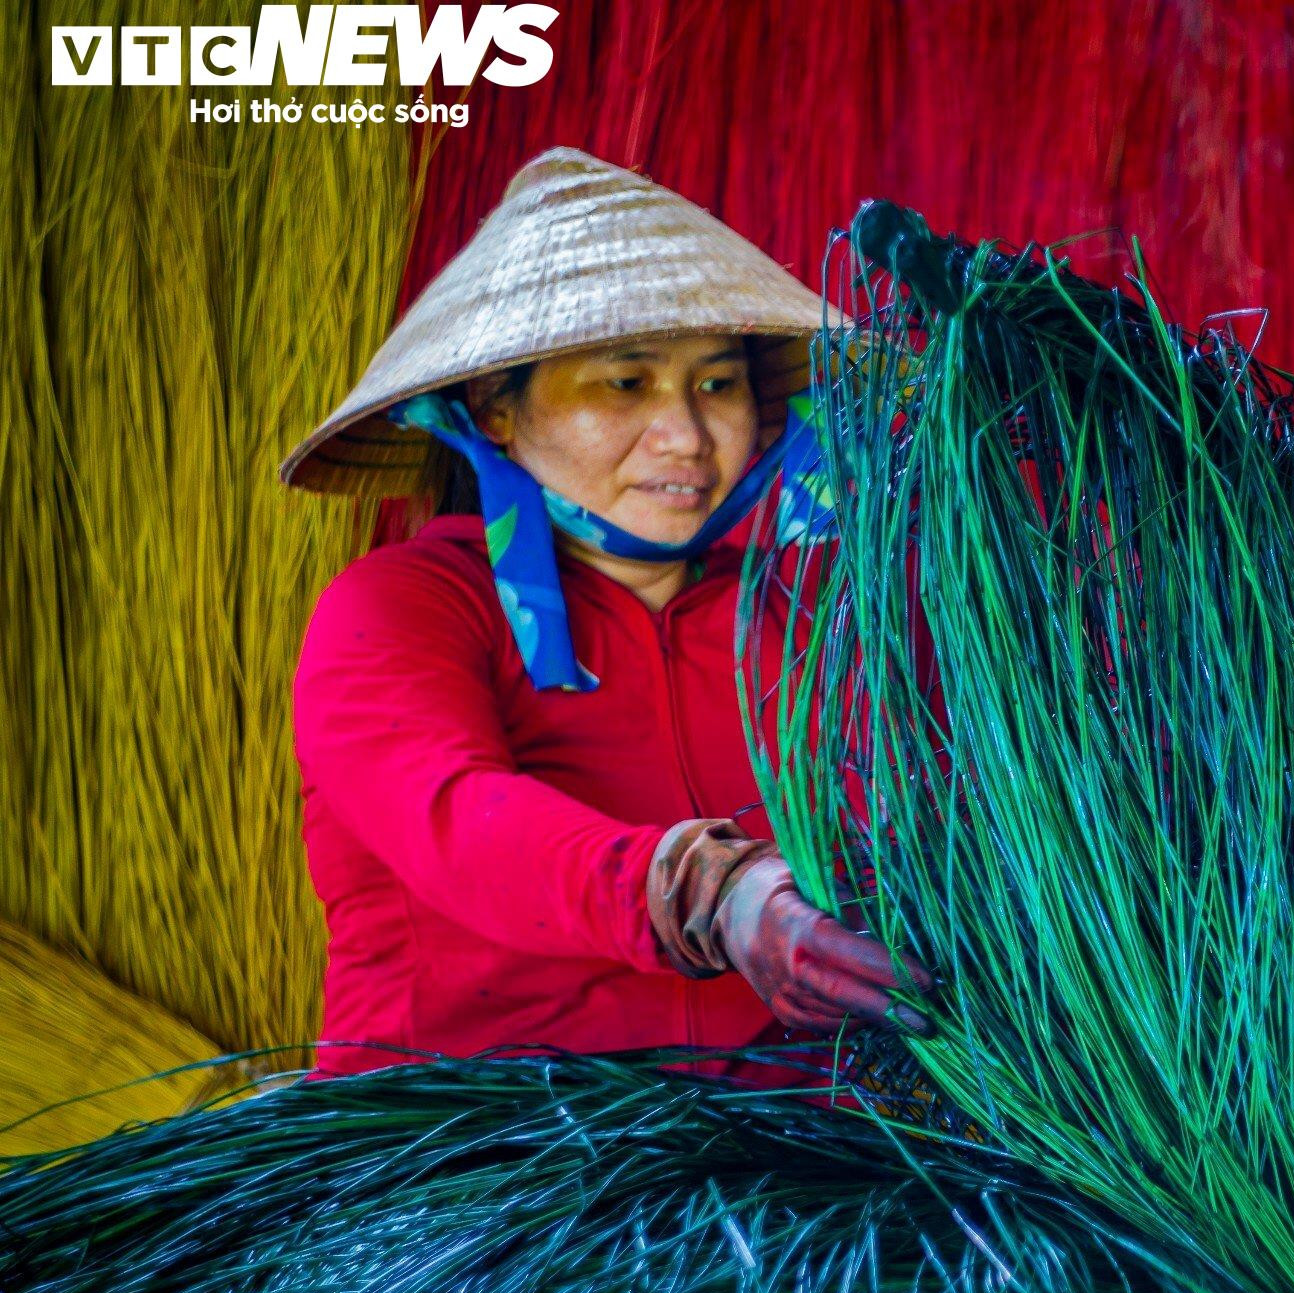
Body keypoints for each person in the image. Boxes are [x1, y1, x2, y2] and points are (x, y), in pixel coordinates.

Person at [280, 147, 929, 1077]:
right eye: (627, 383)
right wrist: (714, 893)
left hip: (785, 1164)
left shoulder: (807, 617)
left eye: (716, 383)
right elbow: (461, 819)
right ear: (495, 412)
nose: (688, 435)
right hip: (474, 1162)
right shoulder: (400, 607)